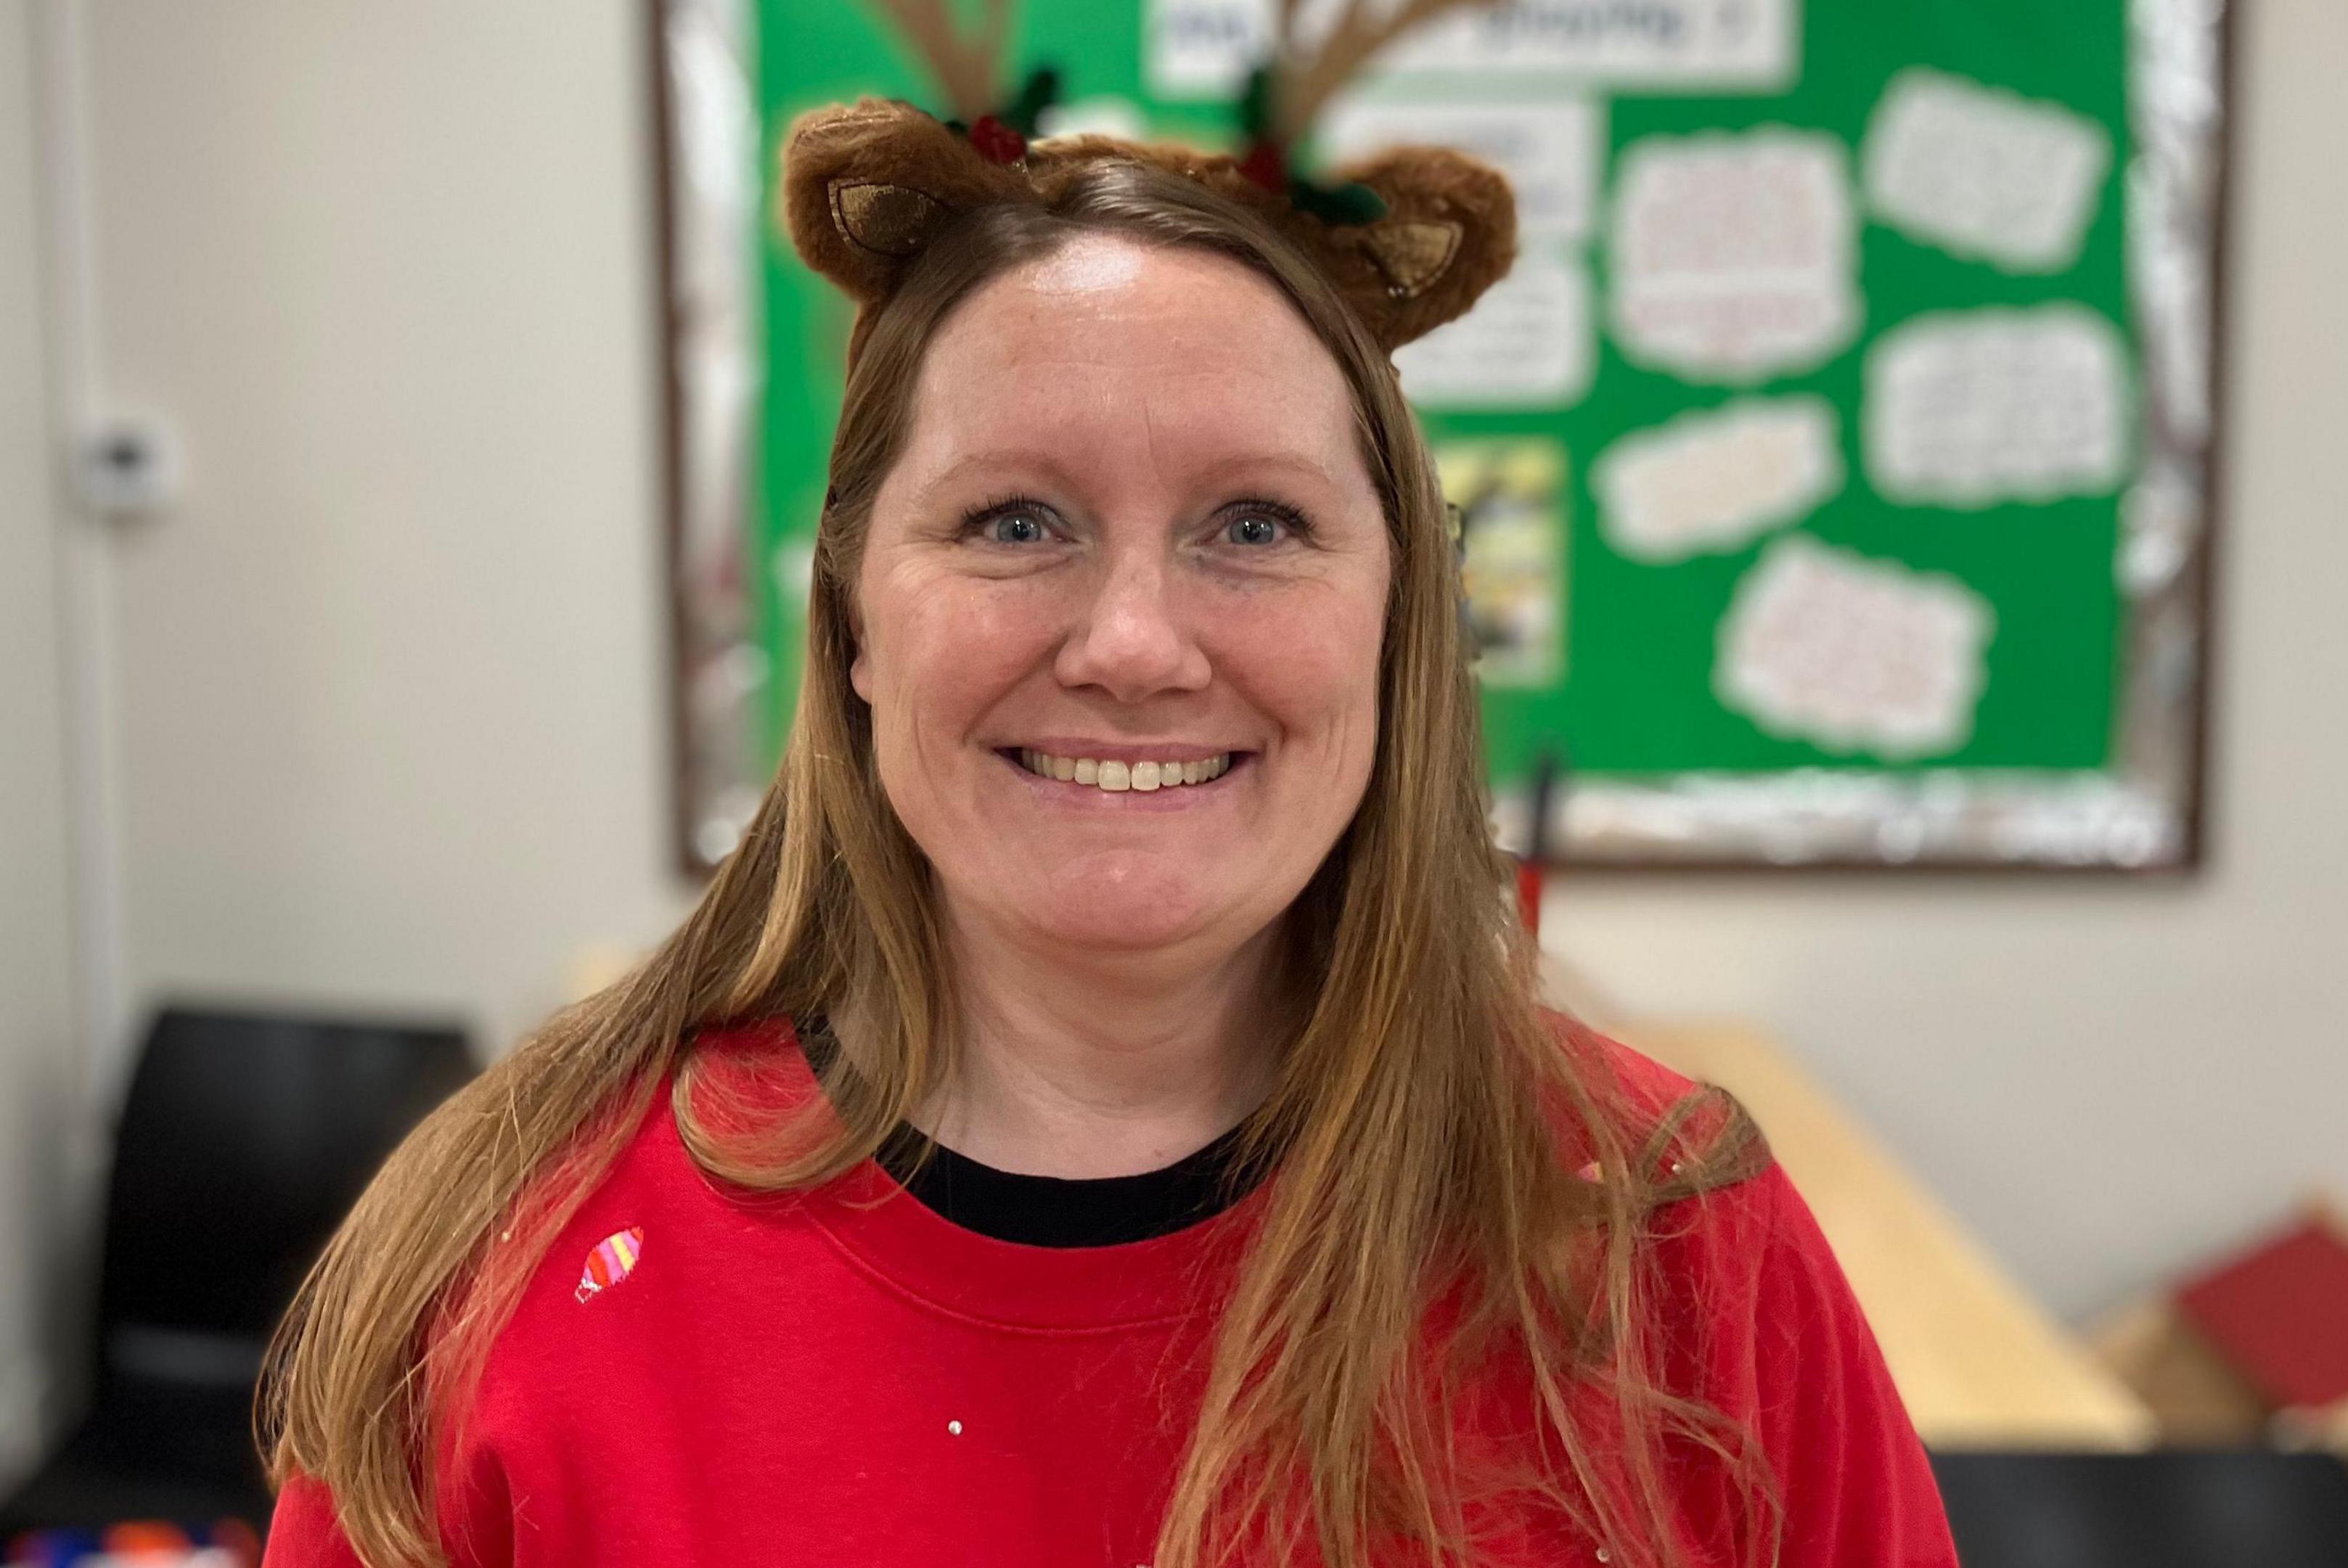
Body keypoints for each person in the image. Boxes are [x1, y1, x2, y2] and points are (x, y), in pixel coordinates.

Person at [260, 92, 1958, 1568]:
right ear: (857, 617)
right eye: (1013, 518)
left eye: (1255, 523)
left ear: (1397, 612)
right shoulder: (513, 1267)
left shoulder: (1666, 1243)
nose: (1134, 644)